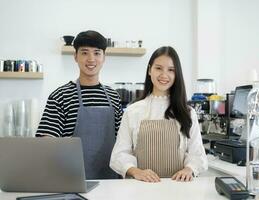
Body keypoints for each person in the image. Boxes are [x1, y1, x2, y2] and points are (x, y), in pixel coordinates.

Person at [110, 46, 208, 182]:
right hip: (141, 187)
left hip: (178, 187)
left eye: (171, 70)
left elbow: (198, 155)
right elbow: (119, 155)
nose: (164, 75)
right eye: (158, 68)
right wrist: (136, 172)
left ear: (177, 74)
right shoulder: (133, 111)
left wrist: (189, 169)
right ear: (150, 70)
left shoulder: (188, 113)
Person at [36, 30, 123, 179]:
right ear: (75, 56)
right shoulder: (60, 96)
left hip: (111, 182)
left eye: (97, 53)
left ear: (104, 57)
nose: (91, 59)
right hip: (70, 180)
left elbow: (123, 141)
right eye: (84, 53)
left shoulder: (114, 96)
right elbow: (46, 142)